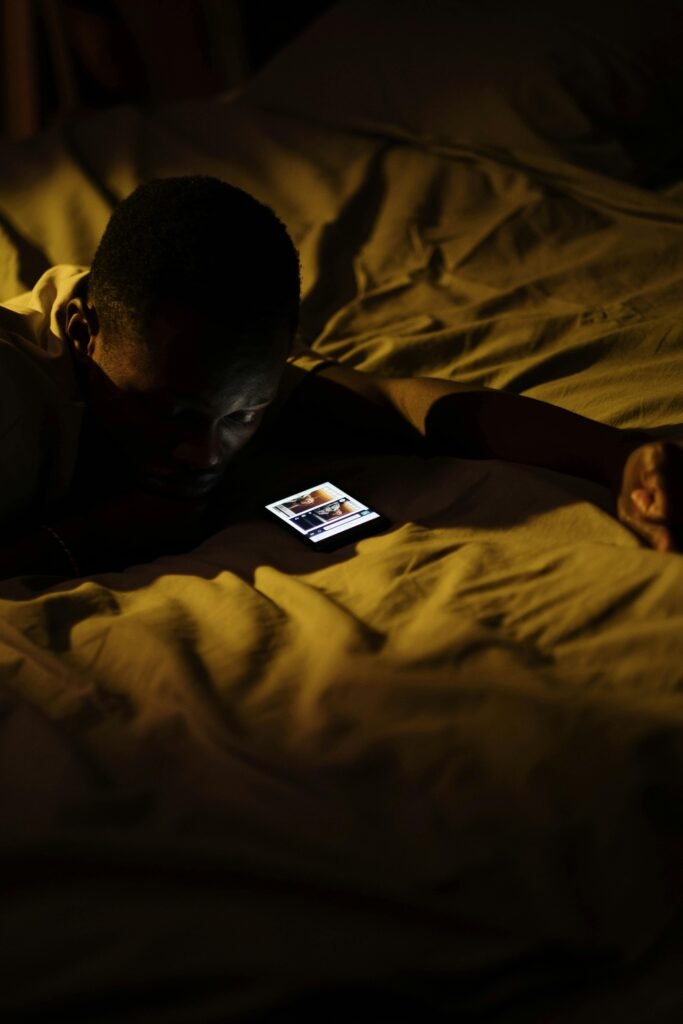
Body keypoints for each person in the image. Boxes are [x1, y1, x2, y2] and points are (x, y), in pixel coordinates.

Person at [0, 175, 680, 581]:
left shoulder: (195, 360)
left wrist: (618, 457)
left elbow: (402, 404)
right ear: (85, 335)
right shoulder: (13, 398)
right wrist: (92, 539)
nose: (206, 455)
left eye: (243, 415)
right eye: (173, 414)